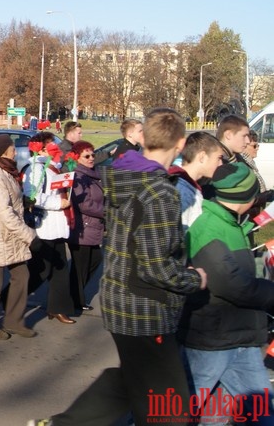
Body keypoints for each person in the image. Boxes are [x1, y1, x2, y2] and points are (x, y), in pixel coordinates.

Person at [38, 108, 207, 426]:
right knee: (168, 409)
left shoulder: (120, 175)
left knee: (133, 382)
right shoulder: (160, 192)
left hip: (118, 299)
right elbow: (156, 266)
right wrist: (193, 279)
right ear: (181, 144)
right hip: (146, 309)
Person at [180, 162, 274, 425]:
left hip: (239, 338)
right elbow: (233, 284)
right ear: (246, 196)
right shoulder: (210, 227)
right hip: (211, 340)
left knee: (259, 416)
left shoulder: (231, 224)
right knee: (173, 412)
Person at [0, 134, 38, 339]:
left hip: (11, 237)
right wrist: (29, 235)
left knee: (22, 276)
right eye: (12, 150)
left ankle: (14, 321)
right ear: (3, 153)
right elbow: (4, 212)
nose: (15, 153)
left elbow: (12, 203)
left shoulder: (6, 172)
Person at [22, 131, 77, 325]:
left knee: (60, 269)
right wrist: (58, 203)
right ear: (42, 149)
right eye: (52, 145)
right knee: (40, 271)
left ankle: (58, 308)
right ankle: (9, 299)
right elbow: (31, 195)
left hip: (57, 226)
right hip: (45, 225)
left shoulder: (55, 167)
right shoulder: (35, 168)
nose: (57, 148)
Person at [67, 141, 104, 312]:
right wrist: (105, 211)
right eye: (86, 156)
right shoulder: (77, 175)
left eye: (93, 155)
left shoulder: (91, 173)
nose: (91, 158)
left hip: (92, 226)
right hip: (82, 226)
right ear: (77, 158)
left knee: (94, 260)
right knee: (80, 267)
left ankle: (74, 297)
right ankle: (75, 300)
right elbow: (84, 204)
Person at [168, 132, 225, 231]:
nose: (221, 164)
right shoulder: (184, 191)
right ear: (202, 157)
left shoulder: (187, 186)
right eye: (218, 158)